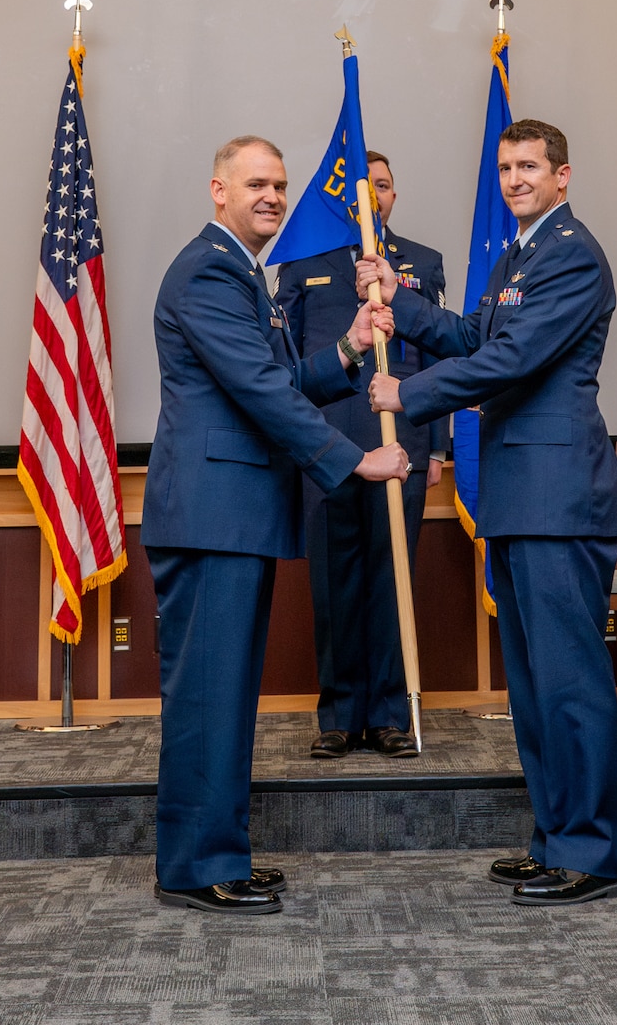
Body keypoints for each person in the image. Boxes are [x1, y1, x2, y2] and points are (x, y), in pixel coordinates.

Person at [360, 119, 617, 906]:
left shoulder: (574, 254)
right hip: (518, 497)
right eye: (506, 167)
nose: (515, 179)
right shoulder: (518, 255)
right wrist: (398, 298)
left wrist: (407, 394)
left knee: (571, 685)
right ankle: (557, 838)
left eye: (529, 167)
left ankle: (596, 853)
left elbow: (513, 360)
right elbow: (477, 332)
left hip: (560, 498)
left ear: (562, 176)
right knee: (534, 686)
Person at [141, 135, 409, 916]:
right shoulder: (208, 270)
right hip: (212, 518)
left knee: (224, 698)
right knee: (207, 699)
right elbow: (260, 390)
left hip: (232, 517)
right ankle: (195, 865)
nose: (272, 196)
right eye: (255, 183)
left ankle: (215, 851)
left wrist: (351, 348)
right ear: (217, 190)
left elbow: (281, 378)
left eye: (281, 185)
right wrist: (352, 462)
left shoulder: (241, 274)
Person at [276, 151, 448, 758]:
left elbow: (438, 360)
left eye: (385, 186)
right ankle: (339, 714)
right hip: (325, 444)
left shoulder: (421, 265)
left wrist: (440, 449)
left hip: (403, 443)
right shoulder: (301, 262)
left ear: (394, 195)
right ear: (343, 198)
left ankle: (390, 715)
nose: (375, 196)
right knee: (334, 580)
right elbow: (288, 365)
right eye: (363, 187)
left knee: (391, 576)